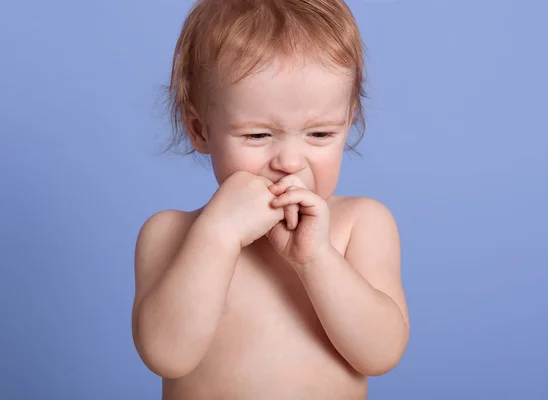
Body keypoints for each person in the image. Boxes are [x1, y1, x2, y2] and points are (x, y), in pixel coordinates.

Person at [131, 0, 409, 398]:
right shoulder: (171, 234)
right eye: (258, 136)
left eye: (320, 134)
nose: (290, 162)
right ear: (199, 129)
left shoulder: (359, 224)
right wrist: (218, 236)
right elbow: (166, 355)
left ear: (350, 122)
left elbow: (381, 354)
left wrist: (316, 259)